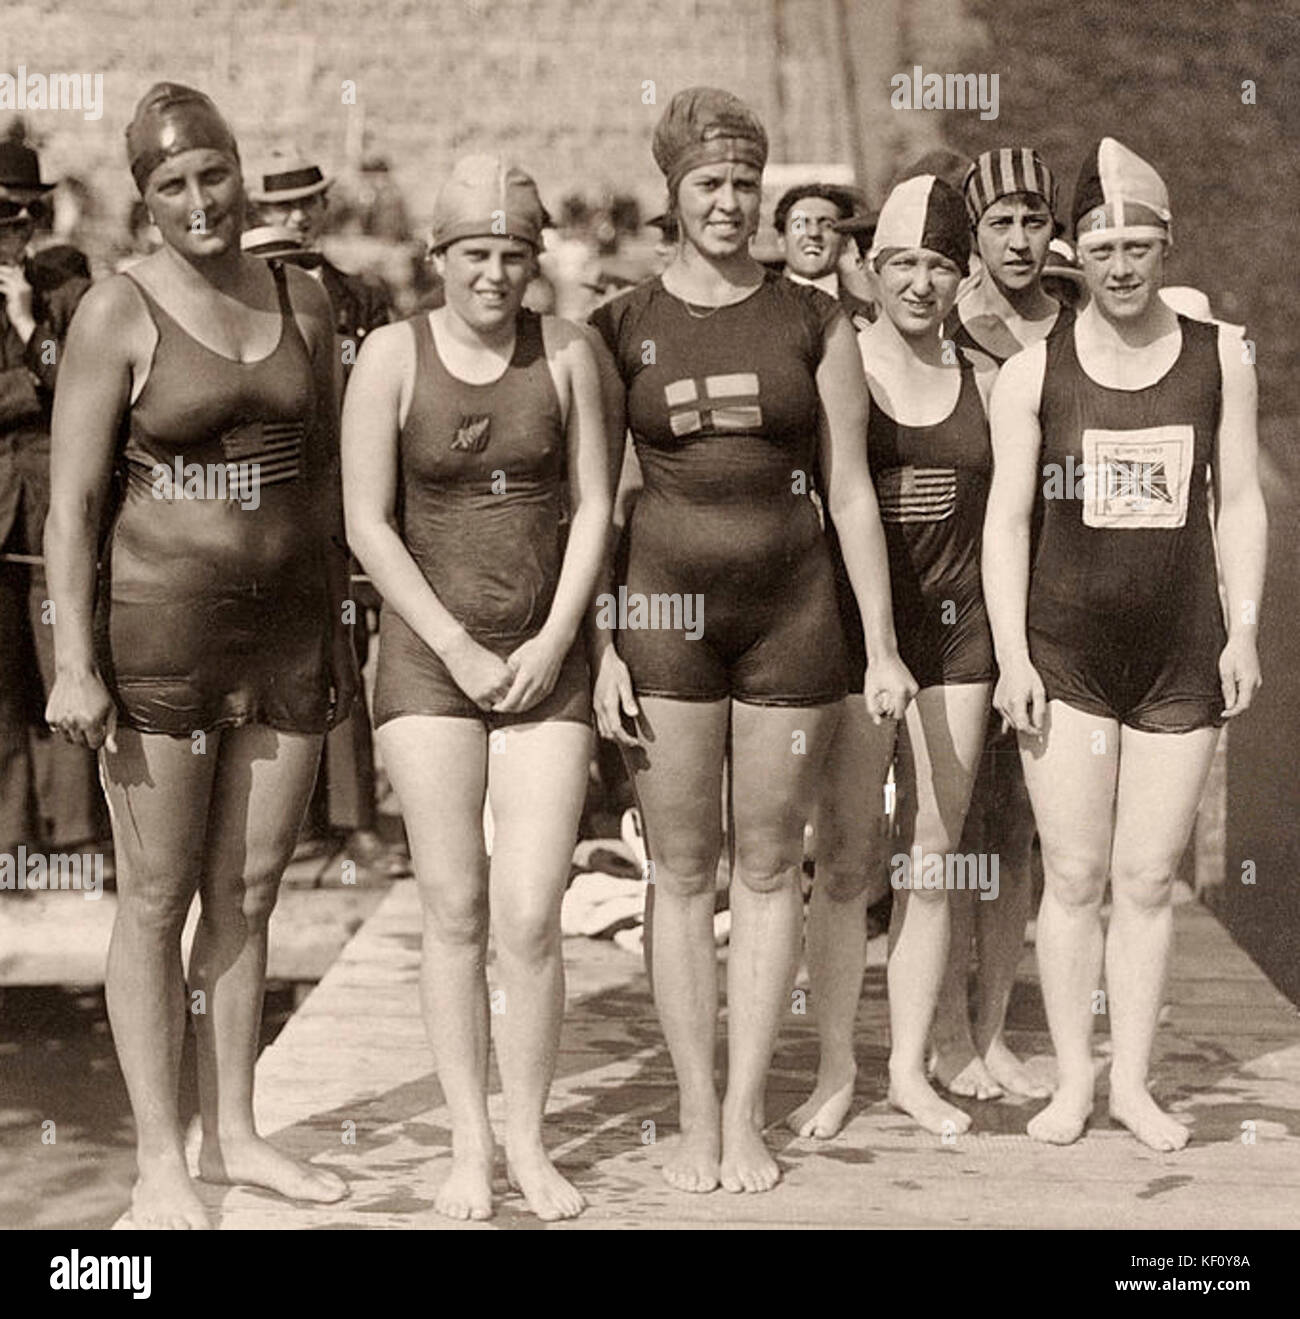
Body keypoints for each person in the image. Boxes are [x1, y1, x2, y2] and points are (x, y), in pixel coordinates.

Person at [43, 82, 355, 1228]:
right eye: (171, 185)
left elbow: (321, 477)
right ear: (145, 201)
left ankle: (238, 1131)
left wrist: (335, 618)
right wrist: (74, 661)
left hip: (287, 635)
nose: (199, 199)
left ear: (238, 166)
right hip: (161, 640)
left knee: (252, 888)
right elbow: (71, 511)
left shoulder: (303, 298)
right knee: (157, 895)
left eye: (212, 172)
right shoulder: (114, 314)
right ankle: (158, 1158)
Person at [589, 87, 910, 1192]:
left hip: (793, 616)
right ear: (672, 196)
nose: (727, 203)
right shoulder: (620, 325)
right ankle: (689, 1107)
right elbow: (597, 503)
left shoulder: (810, 318)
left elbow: (853, 491)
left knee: (771, 865)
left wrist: (879, 646)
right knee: (681, 870)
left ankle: (744, 1110)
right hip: (663, 619)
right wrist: (597, 647)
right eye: (707, 186)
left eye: (742, 185)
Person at [342, 154, 610, 1221]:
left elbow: (593, 506)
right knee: (454, 905)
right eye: (474, 255)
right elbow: (367, 520)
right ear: (437, 259)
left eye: (512, 255)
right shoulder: (391, 358)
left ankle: (531, 1139)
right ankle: (468, 1141)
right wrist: (454, 644)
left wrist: (554, 638)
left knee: (532, 911)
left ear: (533, 260)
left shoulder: (572, 354)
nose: (494, 275)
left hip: (545, 657)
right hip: (427, 659)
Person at [983, 138, 1265, 1149]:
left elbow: (1236, 499)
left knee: (1147, 878)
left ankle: (1134, 1083)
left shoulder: (1217, 353)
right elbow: (1005, 521)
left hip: (1179, 649)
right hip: (1067, 655)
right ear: (1074, 252)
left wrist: (1245, 629)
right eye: (1100, 245)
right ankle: (1070, 1079)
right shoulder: (1030, 372)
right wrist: (1012, 656)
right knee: (1070, 873)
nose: (1119, 263)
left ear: (1164, 246)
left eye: (1138, 244)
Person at [793, 173, 996, 1140]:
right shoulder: (843, 365)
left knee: (934, 857)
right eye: (904, 264)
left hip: (959, 638)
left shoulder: (986, 378)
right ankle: (837, 1067)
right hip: (852, 638)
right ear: (868, 270)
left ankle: (909, 1068)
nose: (921, 283)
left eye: (941, 265)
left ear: (963, 276)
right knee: (844, 860)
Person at [929, 147, 1069, 1103]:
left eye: (1033, 220)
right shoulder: (944, 323)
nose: (1020, 240)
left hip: (1056, 587)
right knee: (945, 816)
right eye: (1000, 224)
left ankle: (993, 1028)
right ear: (972, 238)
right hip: (957, 591)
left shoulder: (1083, 322)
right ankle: (941, 1032)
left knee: (1017, 823)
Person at [246, 148, 406, 880]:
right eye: (281, 208)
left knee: (343, 653)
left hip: (342, 497)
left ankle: (353, 820)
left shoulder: (355, 295)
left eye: (307, 203)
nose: (297, 216)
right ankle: (290, 822)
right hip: (264, 503)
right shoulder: (239, 294)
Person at [0, 140, 103, 875]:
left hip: (49, 509)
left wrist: (31, 322)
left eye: (27, 216)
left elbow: (76, 382)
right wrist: (32, 391)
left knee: (64, 660)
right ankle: (11, 838)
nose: (18, 231)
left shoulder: (64, 284)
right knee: (3, 680)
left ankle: (73, 836)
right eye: (6, 217)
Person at [774, 182, 876, 327]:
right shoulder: (756, 309)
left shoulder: (869, 316)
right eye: (800, 225)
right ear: (781, 240)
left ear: (845, 241)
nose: (814, 233)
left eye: (827, 225)